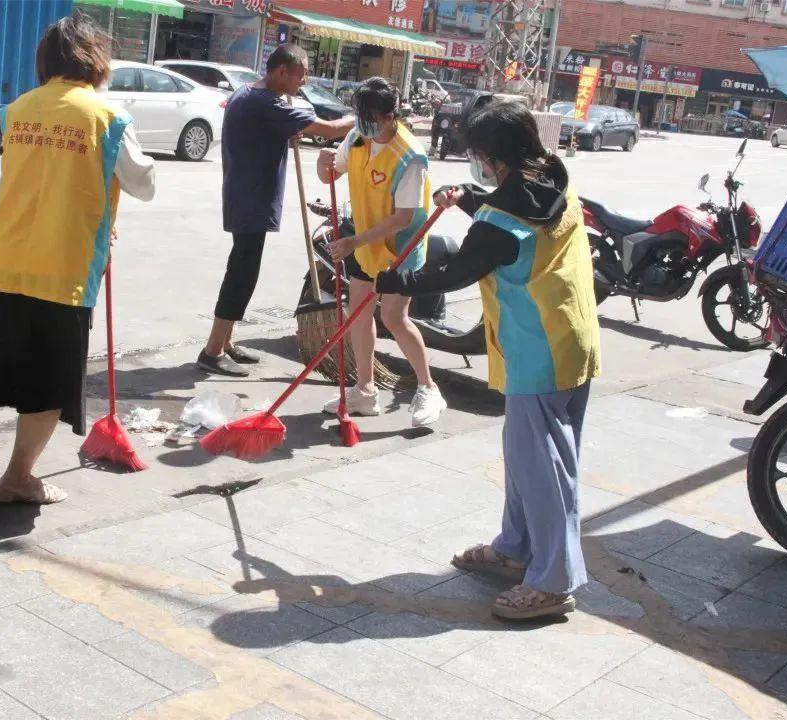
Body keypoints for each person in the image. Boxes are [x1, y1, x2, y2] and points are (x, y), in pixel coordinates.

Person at [376, 100, 601, 620]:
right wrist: (472, 199)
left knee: (544, 469)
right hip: (569, 337)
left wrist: (395, 282)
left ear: (493, 155)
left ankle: (552, 581)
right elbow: (513, 215)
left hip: (539, 350)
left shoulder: (501, 220)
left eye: (478, 155)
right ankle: (516, 547)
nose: (476, 163)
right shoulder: (553, 176)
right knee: (530, 458)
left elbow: (456, 271)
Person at [0, 13, 156, 517]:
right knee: (47, 387)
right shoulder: (106, 116)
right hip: (63, 271)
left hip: (0, 262)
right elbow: (143, 182)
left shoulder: (17, 109)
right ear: (96, 59)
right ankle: (17, 478)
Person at [196, 44, 354, 377]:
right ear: (282, 72)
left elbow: (261, 131)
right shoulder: (267, 101)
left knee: (243, 268)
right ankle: (212, 350)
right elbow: (332, 129)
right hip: (252, 196)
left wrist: (284, 132)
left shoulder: (247, 93)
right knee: (241, 272)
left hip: (246, 192)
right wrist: (368, 115)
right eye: (301, 72)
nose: (304, 79)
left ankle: (225, 343)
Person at [320, 77, 447, 429]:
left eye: (370, 117)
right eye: (359, 114)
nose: (362, 123)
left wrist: (352, 243)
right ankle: (364, 391)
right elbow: (330, 175)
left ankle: (428, 387)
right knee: (357, 316)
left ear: (391, 116)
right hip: (364, 245)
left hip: (399, 249)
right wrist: (323, 162)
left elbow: (402, 218)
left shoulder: (410, 157)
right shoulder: (357, 137)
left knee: (393, 318)